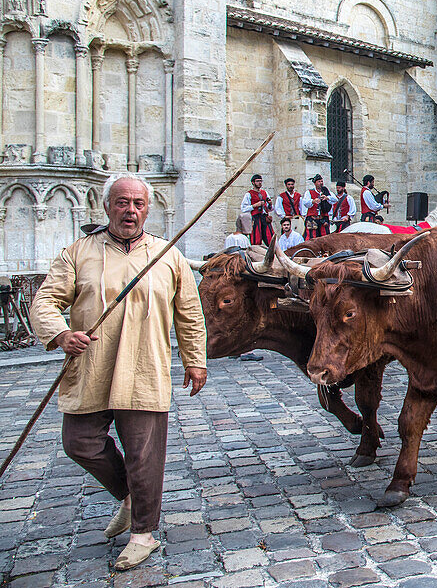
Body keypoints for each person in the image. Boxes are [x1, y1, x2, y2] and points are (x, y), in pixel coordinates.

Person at [29, 174, 207, 571]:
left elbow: (190, 314)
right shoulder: (77, 252)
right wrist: (60, 334)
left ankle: (143, 533)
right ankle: (129, 495)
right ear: (106, 206)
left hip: (145, 366)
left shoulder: (168, 256)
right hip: (90, 364)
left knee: (145, 454)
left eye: (138, 203)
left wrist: (195, 359)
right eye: (122, 202)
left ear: (148, 208)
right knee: (79, 442)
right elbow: (45, 301)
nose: (131, 210)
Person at [240, 174, 274, 246]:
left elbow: (270, 208)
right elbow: (243, 208)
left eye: (261, 181)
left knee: (270, 238)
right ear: (253, 182)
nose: (260, 183)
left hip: (265, 217)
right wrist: (255, 205)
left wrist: (270, 204)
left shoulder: (265, 193)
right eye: (257, 181)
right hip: (256, 218)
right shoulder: (249, 194)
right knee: (256, 239)